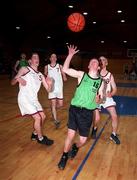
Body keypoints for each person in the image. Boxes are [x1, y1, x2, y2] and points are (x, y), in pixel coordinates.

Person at [58, 45, 104, 170]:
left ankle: (75, 147)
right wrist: (70, 55)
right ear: (89, 66)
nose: (94, 63)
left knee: (83, 140)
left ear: (98, 67)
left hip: (88, 113)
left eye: (96, 62)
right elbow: (65, 69)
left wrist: (98, 99)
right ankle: (64, 156)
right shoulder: (81, 75)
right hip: (75, 109)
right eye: (91, 62)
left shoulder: (100, 82)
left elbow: (100, 96)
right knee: (70, 135)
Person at [11, 53, 54, 146]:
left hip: (34, 99)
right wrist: (18, 79)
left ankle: (34, 134)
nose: (36, 58)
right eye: (34, 57)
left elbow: (49, 90)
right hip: (24, 98)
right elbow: (12, 82)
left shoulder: (40, 75)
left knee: (43, 117)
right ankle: (40, 138)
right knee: (37, 118)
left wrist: (50, 84)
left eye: (38, 57)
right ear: (30, 60)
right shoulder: (25, 69)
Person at [91, 56, 121, 145]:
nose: (101, 61)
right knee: (97, 118)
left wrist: (111, 94)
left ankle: (113, 134)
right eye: (100, 60)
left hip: (107, 98)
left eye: (103, 60)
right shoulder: (95, 73)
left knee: (114, 116)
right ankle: (95, 128)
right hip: (97, 98)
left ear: (106, 63)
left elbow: (115, 88)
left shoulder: (110, 75)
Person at [44, 53, 67, 128]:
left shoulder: (59, 66)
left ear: (56, 59)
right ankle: (56, 120)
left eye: (55, 57)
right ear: (50, 58)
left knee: (60, 104)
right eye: (52, 57)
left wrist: (64, 77)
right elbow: (45, 76)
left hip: (59, 88)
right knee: (53, 105)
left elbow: (63, 73)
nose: (53, 58)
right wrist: (47, 82)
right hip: (52, 89)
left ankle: (53, 109)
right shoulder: (46, 67)